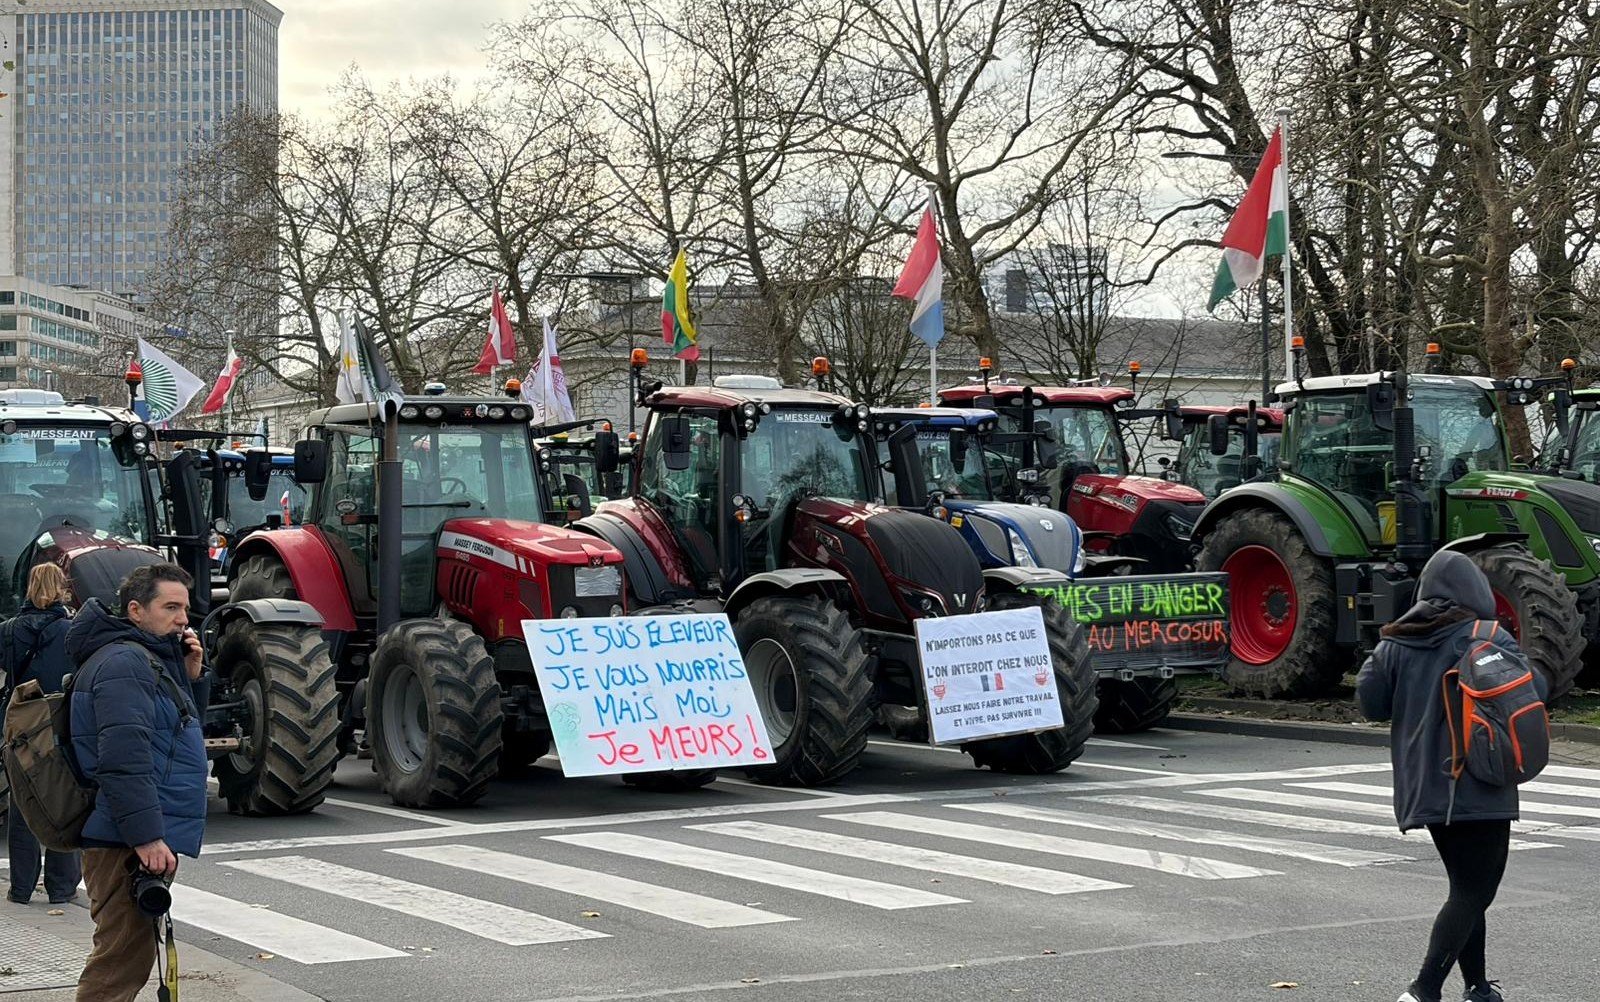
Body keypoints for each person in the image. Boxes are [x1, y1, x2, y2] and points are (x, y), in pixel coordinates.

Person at [1356, 550, 1542, 1002]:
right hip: (1481, 780)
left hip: (1427, 789)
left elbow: (1370, 703)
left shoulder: (1394, 643)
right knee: (1474, 891)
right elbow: (1533, 690)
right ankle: (1423, 990)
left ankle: (1477, 988)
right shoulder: (1486, 634)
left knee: (1465, 887)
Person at [66, 563, 209, 1002]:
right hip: (123, 838)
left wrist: (189, 674)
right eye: (170, 606)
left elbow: (171, 733)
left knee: (127, 956)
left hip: (124, 831)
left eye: (184, 608)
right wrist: (146, 837)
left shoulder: (141, 659)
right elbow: (124, 759)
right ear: (135, 610)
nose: (183, 618)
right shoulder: (125, 663)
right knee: (119, 964)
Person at [3, 563, 82, 904]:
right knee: (62, 801)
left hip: (20, 719)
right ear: (62, 587)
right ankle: (61, 888)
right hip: (58, 719)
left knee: (23, 801)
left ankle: (21, 888)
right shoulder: (72, 630)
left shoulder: (8, 630)